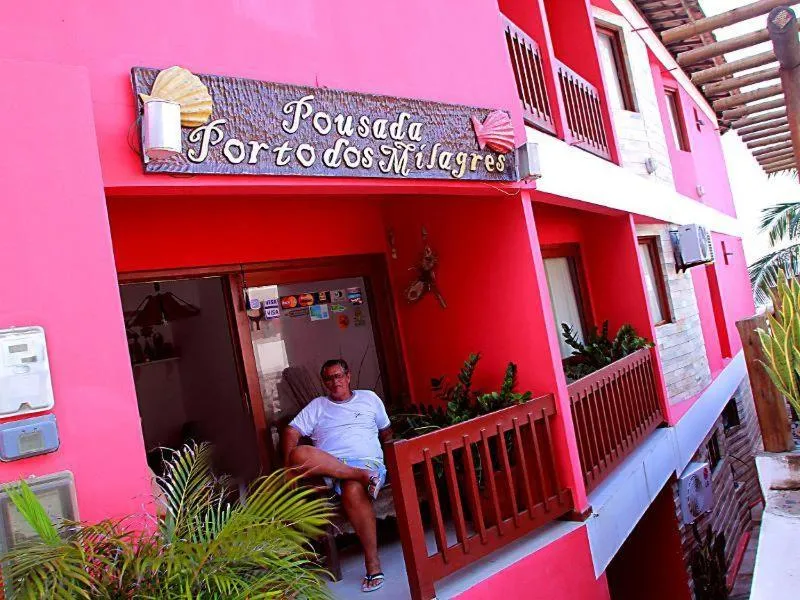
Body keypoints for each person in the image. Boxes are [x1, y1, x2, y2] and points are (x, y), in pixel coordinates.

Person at [283, 358, 392, 593]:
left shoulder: (369, 398)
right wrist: (288, 470)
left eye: (338, 376)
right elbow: (291, 431)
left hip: (369, 463)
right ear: (324, 383)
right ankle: (362, 476)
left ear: (348, 376)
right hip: (332, 467)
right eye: (329, 378)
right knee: (299, 454)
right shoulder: (318, 406)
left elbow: (387, 432)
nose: (335, 382)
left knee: (352, 489)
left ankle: (372, 563)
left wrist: (394, 461)